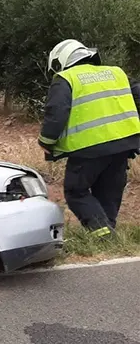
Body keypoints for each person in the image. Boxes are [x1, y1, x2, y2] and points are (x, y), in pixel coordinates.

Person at [38, 39, 140, 237]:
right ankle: (110, 237)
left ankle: (103, 237)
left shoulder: (65, 78)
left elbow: (56, 113)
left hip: (89, 148)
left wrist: (46, 141)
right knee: (109, 192)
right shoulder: (116, 73)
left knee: (76, 192)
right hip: (123, 145)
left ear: (61, 61)